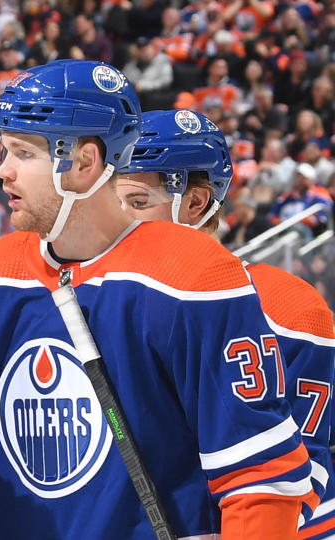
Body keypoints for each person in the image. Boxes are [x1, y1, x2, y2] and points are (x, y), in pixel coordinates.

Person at [0, 60, 315, 539]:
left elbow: (260, 479)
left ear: (85, 162)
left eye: (23, 153)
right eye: (1, 150)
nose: (1, 171)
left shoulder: (194, 277)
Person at [116, 109, 335, 534]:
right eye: (113, 202)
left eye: (138, 202)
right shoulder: (103, 301)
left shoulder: (286, 306)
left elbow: (299, 475)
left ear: (196, 202)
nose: (120, 220)